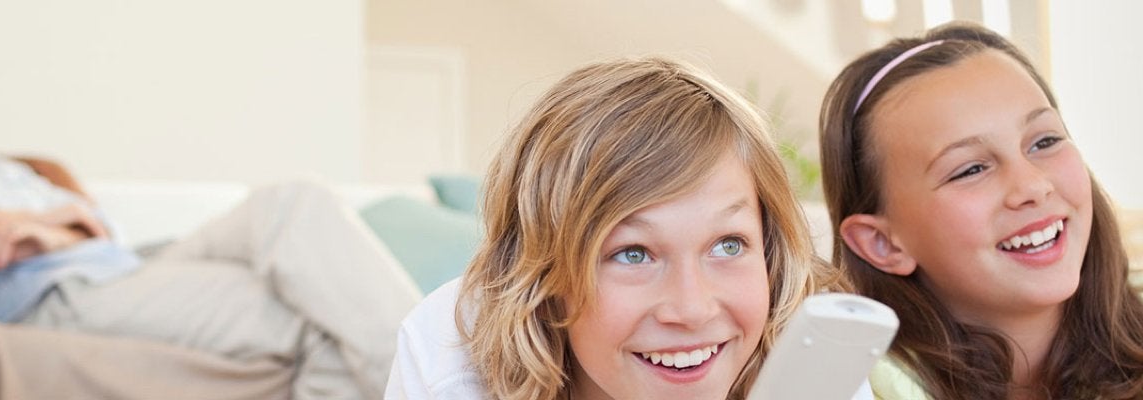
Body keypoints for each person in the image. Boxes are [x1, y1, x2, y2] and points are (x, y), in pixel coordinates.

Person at [0, 30, 422, 398]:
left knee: (294, 201)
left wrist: (47, 227)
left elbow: (91, 223)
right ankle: (442, 383)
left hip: (122, 261)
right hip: (57, 293)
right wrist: (6, 227)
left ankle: (439, 373)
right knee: (299, 313)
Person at [386, 57, 852, 399]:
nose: (691, 309)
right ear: (543, 280)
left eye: (728, 245)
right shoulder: (453, 348)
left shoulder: (815, 354)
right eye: (633, 253)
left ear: (770, 253)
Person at [819, 22, 1143, 399]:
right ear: (881, 243)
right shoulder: (854, 389)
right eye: (971, 169)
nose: (1033, 186)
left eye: (1045, 141)